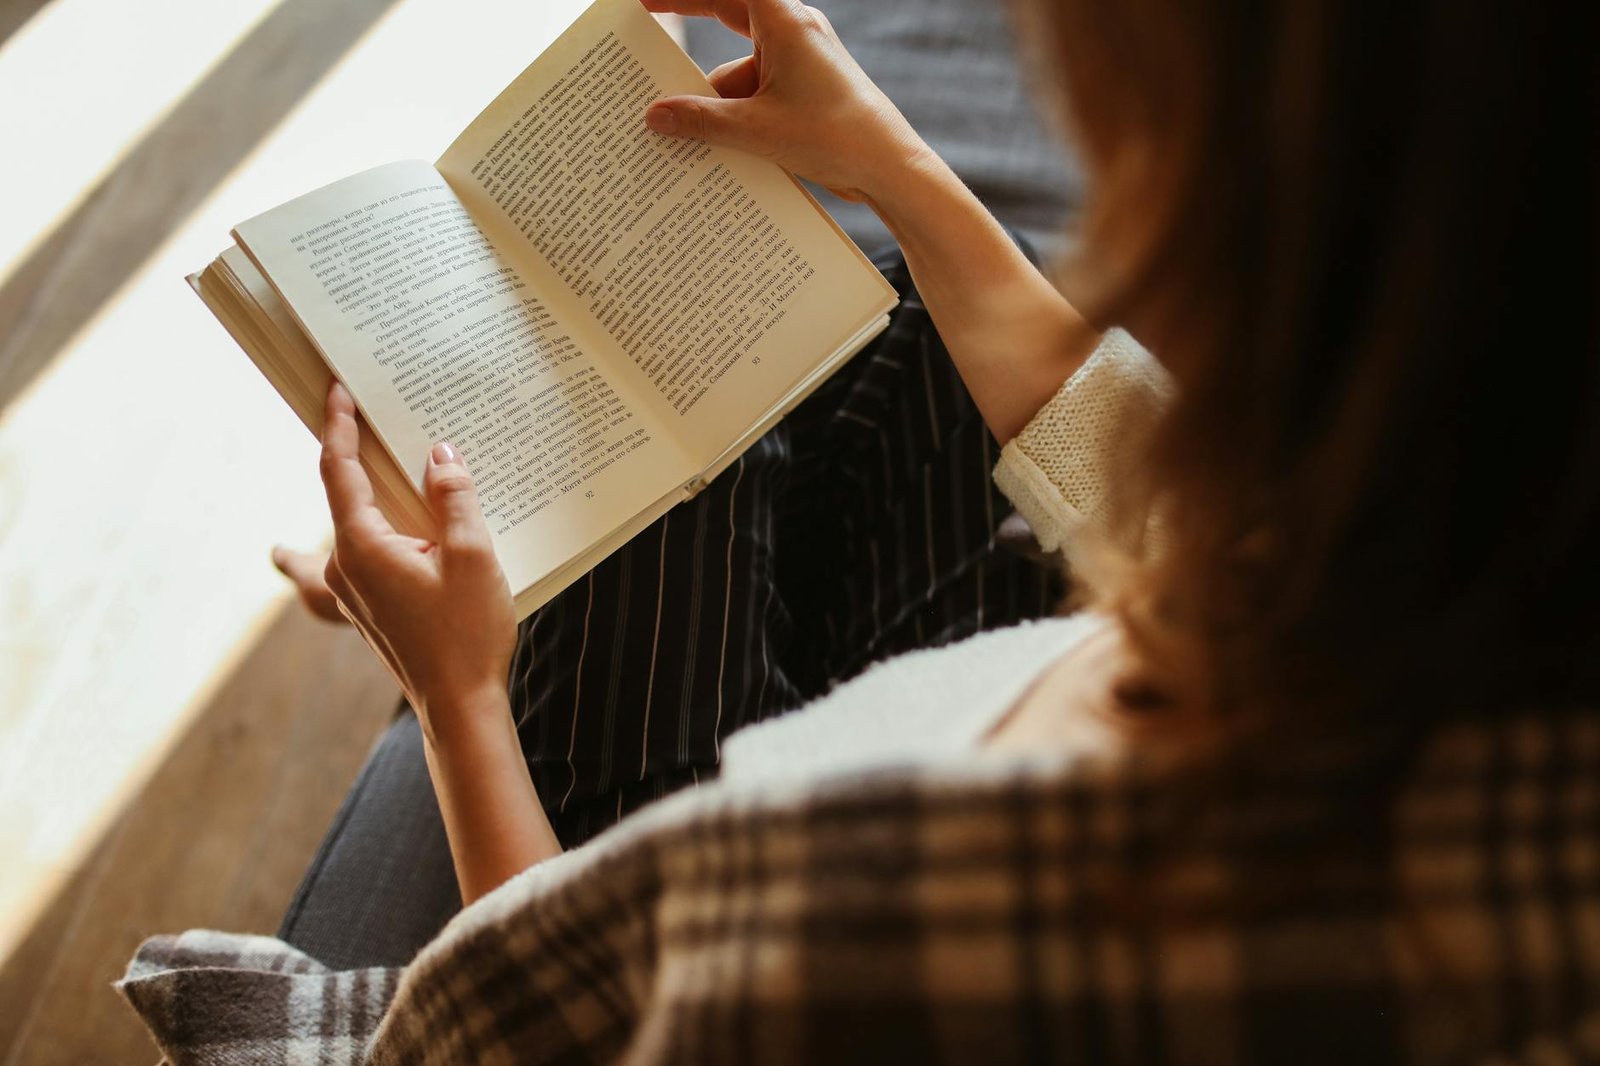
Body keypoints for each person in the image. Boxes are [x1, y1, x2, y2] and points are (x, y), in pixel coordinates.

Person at [121, 0, 1597, 1061]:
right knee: (876, 335)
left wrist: (455, 698)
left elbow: (536, 1019)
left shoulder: (900, 909)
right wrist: (891, 159)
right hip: (960, 673)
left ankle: (478, 581)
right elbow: (1196, 512)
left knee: (682, 435)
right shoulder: (1495, 602)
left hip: (675, 834)